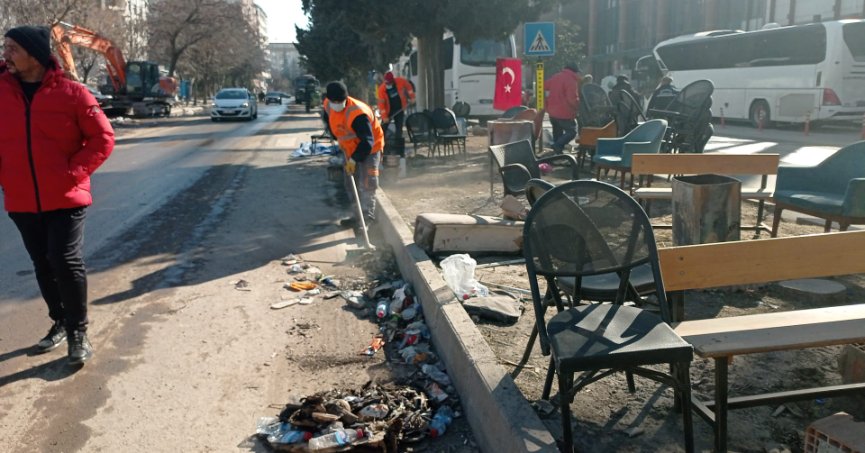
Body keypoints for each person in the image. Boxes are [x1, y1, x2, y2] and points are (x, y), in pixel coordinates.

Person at [0, 25, 114, 366]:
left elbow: (103, 139)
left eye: (12, 49)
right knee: (42, 263)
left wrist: (72, 174)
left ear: (34, 55)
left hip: (66, 197)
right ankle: (60, 321)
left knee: (64, 261)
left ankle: (78, 332)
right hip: (21, 198)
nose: (6, 54)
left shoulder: (73, 94)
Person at [322, 81, 383, 226]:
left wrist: (354, 160)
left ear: (346, 98)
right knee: (351, 183)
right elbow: (328, 119)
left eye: (341, 101)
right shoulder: (328, 105)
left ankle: (367, 220)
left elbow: (367, 142)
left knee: (368, 182)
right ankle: (357, 217)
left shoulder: (358, 113)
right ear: (329, 100)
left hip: (371, 148)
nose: (337, 104)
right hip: (349, 149)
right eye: (334, 101)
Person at [544, 63, 582, 154]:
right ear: (574, 71)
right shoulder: (571, 80)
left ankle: (557, 154)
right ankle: (557, 146)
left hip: (552, 112)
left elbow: (544, 86)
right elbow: (572, 99)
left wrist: (546, 103)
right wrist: (578, 107)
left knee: (557, 133)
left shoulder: (556, 77)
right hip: (564, 113)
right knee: (572, 132)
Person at [375, 71, 415, 140]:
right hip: (388, 111)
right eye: (387, 83)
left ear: (393, 80)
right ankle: (381, 143)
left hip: (399, 108)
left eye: (390, 83)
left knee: (399, 128)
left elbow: (408, 86)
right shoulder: (381, 90)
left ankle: (397, 144)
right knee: (383, 128)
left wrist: (412, 97)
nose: (388, 85)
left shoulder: (400, 81)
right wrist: (384, 117)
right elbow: (381, 105)